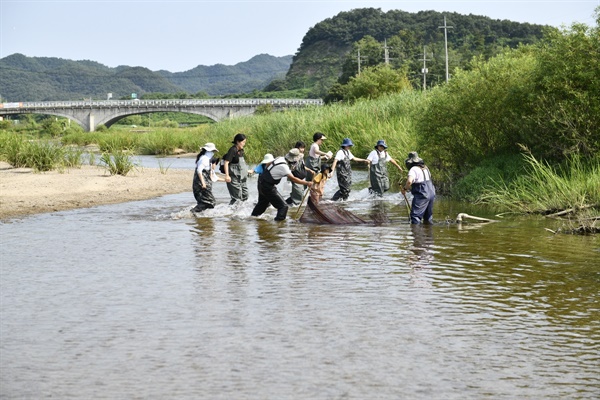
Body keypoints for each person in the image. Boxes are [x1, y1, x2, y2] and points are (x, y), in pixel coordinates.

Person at [251, 148, 313, 221]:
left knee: (262, 205)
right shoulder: (284, 167)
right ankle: (279, 225)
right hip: (267, 186)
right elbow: (293, 179)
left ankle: (251, 219)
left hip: (262, 182)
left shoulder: (280, 158)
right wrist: (307, 183)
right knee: (283, 206)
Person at [402, 151, 436, 224]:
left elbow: (409, 182)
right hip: (431, 193)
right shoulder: (426, 168)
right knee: (428, 217)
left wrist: (404, 189)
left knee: (415, 217)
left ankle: (416, 234)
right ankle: (429, 233)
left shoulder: (413, 169)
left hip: (422, 194)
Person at [191, 142, 224, 213]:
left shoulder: (207, 160)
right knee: (210, 202)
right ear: (208, 151)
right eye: (213, 151)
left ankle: (199, 216)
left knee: (206, 202)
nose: (213, 153)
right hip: (201, 185)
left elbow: (213, 177)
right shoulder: (204, 159)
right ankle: (193, 212)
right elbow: (199, 171)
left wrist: (226, 180)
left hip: (203, 185)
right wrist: (203, 183)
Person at [223, 133, 254, 205]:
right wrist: (227, 176)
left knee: (245, 195)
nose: (244, 144)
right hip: (233, 177)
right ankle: (231, 213)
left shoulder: (241, 151)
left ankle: (243, 212)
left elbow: (241, 165)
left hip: (242, 177)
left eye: (244, 142)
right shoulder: (232, 150)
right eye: (243, 142)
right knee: (237, 198)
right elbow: (226, 163)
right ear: (237, 142)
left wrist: (247, 171)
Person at [286, 141, 313, 206]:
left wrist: (309, 170)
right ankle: (289, 204)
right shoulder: (294, 157)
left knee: (298, 193)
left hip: (300, 178)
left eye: (303, 148)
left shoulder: (301, 156)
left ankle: (287, 204)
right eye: (301, 148)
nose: (302, 150)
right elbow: (292, 168)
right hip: (295, 178)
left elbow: (302, 166)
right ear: (297, 148)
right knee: (298, 193)